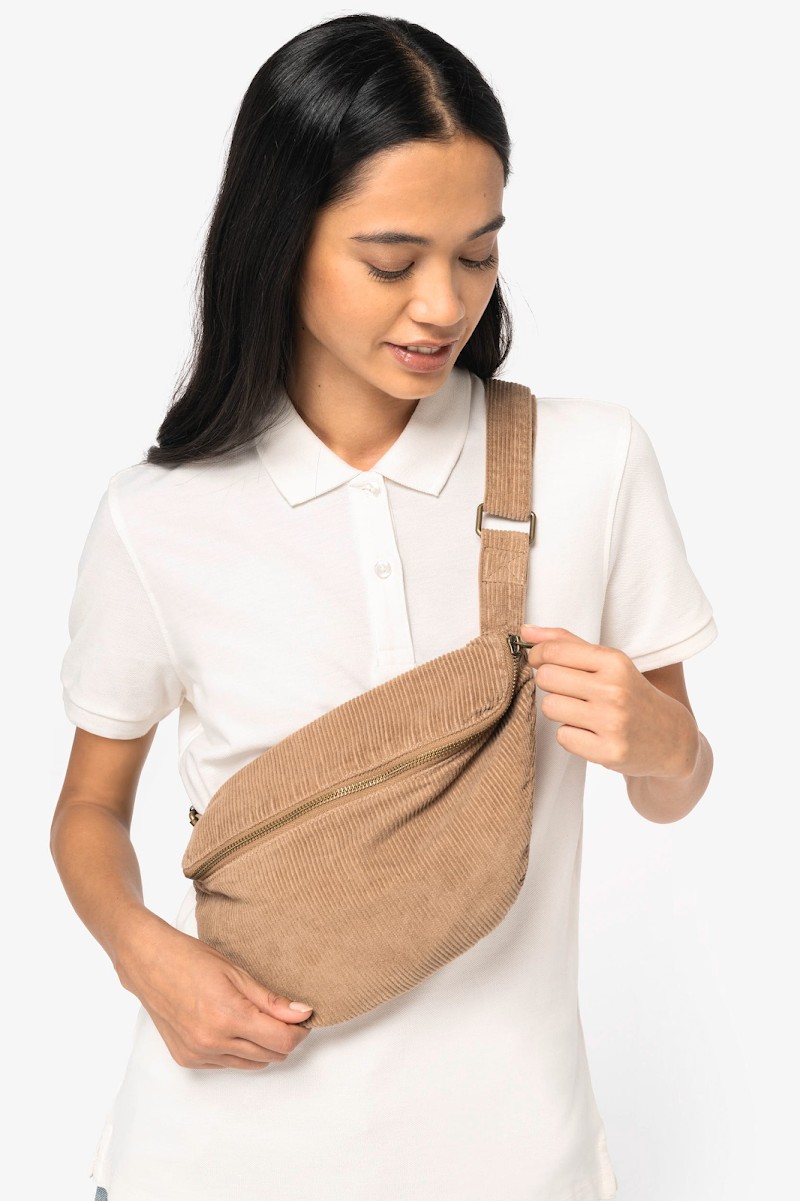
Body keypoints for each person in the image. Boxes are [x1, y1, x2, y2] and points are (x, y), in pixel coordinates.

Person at [51, 13, 716, 1201]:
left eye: (477, 253)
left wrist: (661, 742)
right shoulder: (158, 517)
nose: (442, 304)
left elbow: (674, 785)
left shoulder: (590, 463)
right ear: (279, 240)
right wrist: (144, 955)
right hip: (211, 1159)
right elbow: (89, 809)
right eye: (391, 260)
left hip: (515, 1164)